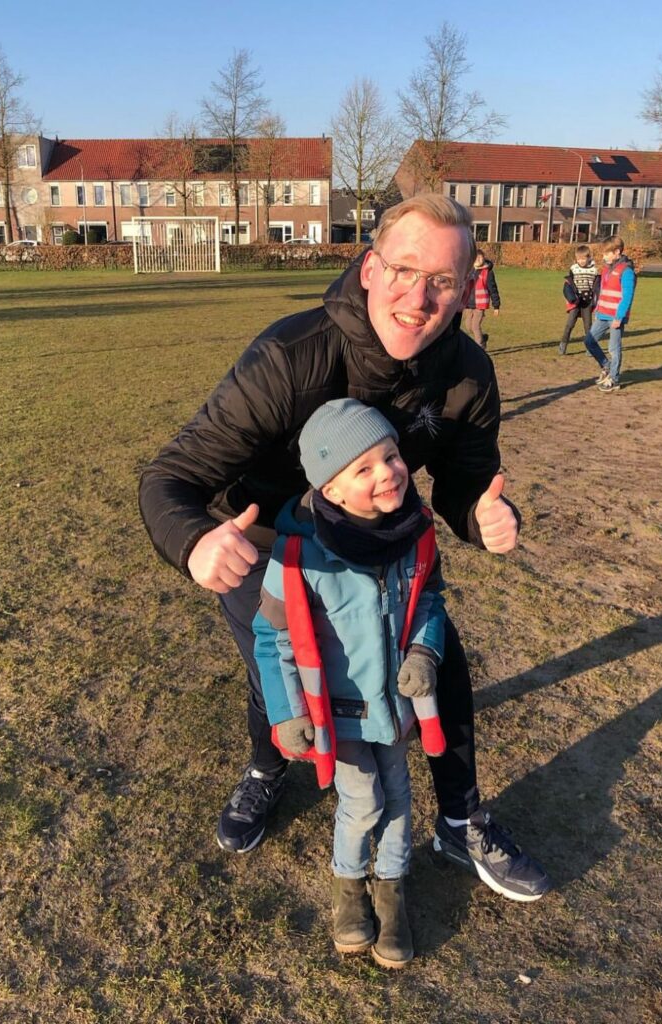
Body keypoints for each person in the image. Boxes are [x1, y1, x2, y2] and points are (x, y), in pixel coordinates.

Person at [139, 193, 551, 905]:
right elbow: (169, 477)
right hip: (263, 545)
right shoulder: (290, 356)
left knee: (439, 660)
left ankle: (458, 819)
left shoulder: (466, 373)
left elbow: (464, 481)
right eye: (403, 270)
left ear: (465, 288)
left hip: (381, 543)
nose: (418, 298)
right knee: (281, 670)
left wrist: (481, 512)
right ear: (368, 269)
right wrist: (194, 542)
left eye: (443, 281)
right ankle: (266, 770)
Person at [253, 399, 447, 968]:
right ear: (330, 490)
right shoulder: (296, 556)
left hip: (396, 706)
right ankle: (348, 889)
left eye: (390, 456)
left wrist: (424, 650)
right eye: (363, 469)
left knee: (400, 799)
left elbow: (430, 599)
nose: (386, 473)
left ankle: (391, 889)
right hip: (336, 714)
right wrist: (287, 714)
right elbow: (273, 640)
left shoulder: (415, 533)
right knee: (362, 802)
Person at [582, 235, 636, 392]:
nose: (603, 257)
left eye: (607, 253)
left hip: (615, 317)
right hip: (602, 314)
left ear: (617, 252)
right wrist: (597, 310)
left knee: (614, 348)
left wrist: (619, 317)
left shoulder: (626, 272)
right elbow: (603, 292)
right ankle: (606, 366)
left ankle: (614, 378)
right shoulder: (606, 269)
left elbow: (627, 297)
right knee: (589, 341)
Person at [559, 245, 600, 355]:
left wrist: (596, 300)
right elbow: (569, 284)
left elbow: (597, 287)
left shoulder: (594, 270)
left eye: (583, 258)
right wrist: (570, 297)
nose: (581, 261)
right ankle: (563, 345)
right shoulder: (573, 269)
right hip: (576, 302)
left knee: (588, 327)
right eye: (579, 259)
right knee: (569, 324)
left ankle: (590, 348)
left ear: (588, 257)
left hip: (587, 302)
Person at [463, 248, 500, 350]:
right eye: (476, 258)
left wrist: (496, 306)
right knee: (468, 326)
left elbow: (493, 289)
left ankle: (480, 347)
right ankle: (483, 338)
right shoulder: (469, 270)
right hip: (468, 304)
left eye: (480, 257)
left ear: (484, 258)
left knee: (475, 326)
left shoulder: (488, 273)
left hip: (480, 304)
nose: (478, 260)